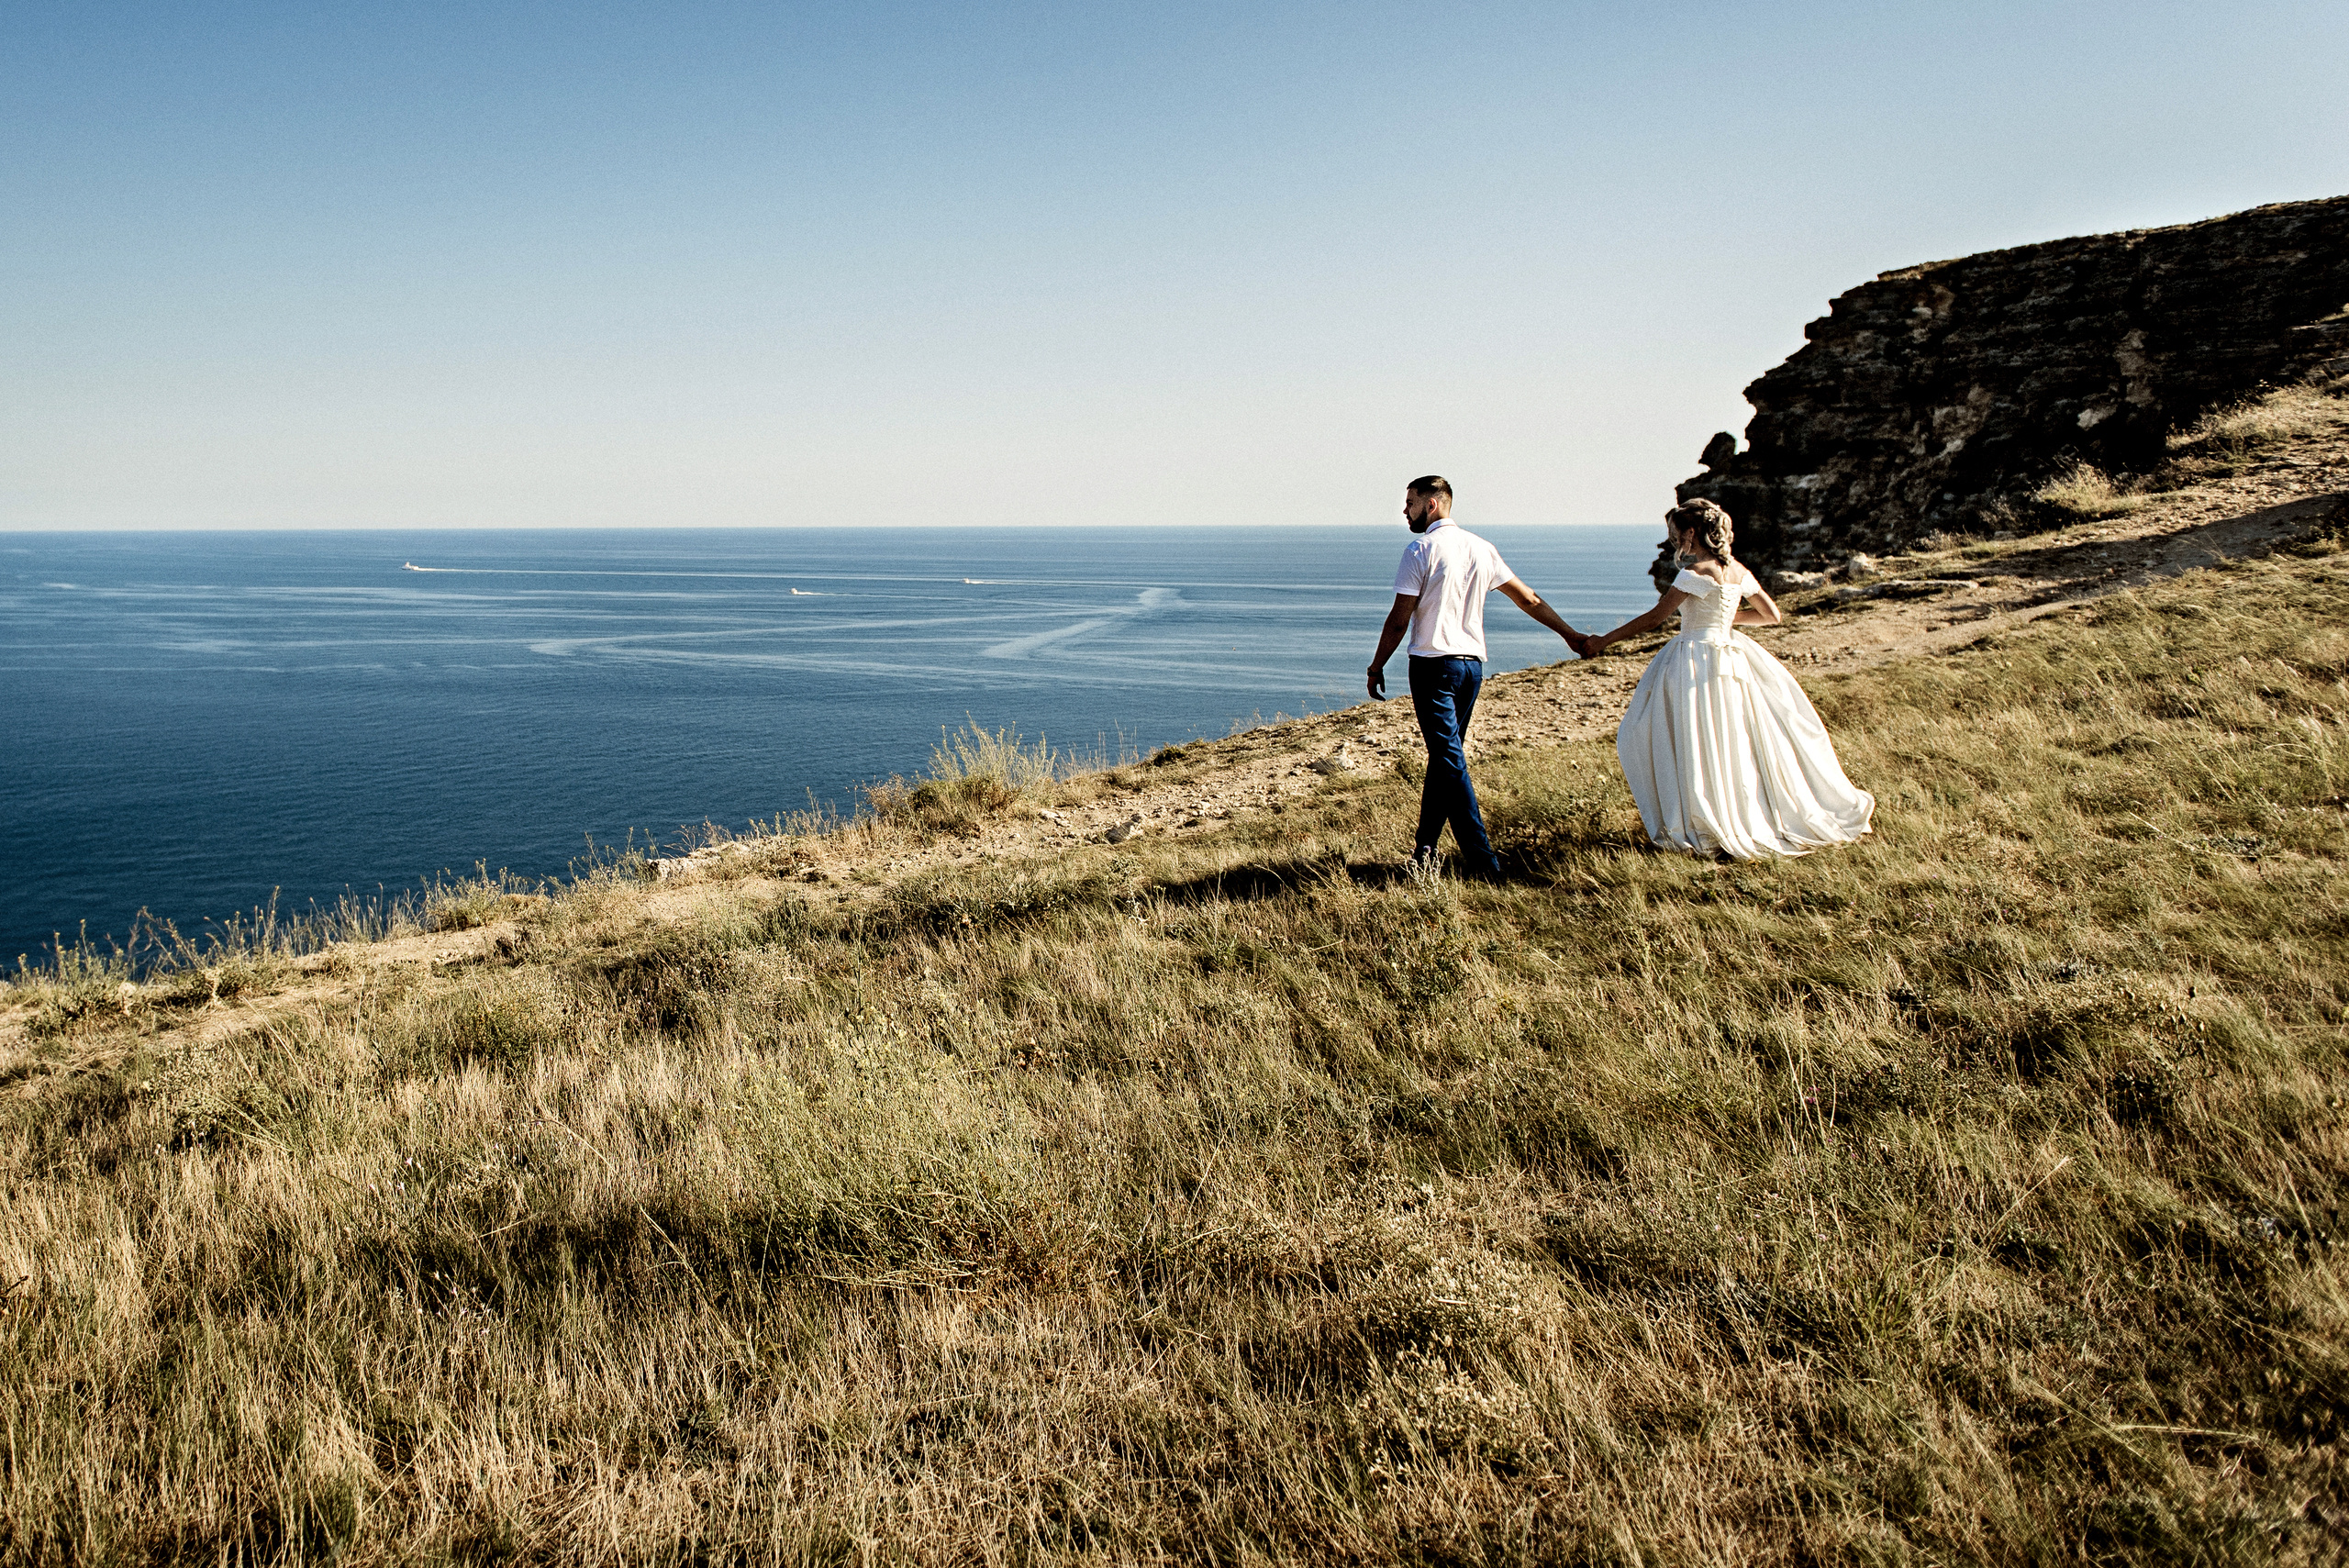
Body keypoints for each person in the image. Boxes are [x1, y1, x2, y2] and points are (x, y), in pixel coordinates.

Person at [1585, 498, 1874, 859]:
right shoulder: (1736, 570)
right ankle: (1740, 814)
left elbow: (1655, 619)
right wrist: (1722, 621)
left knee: (1682, 736)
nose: (1675, 541)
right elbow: (1771, 616)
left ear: (1691, 532)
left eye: (1676, 533)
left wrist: (1602, 641)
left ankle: (1705, 820)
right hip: (1732, 657)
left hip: (1693, 659)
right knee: (1730, 737)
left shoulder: (1695, 573)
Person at [1366, 475, 1593, 879]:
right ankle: (1425, 852)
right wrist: (1570, 635)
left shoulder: (1420, 548)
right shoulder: (1481, 548)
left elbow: (1399, 619)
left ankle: (1485, 864)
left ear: (1432, 505)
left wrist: (1377, 663)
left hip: (1433, 666)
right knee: (1444, 758)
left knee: (1450, 761)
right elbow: (1529, 598)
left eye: (1410, 503)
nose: (1405, 511)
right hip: (1472, 668)